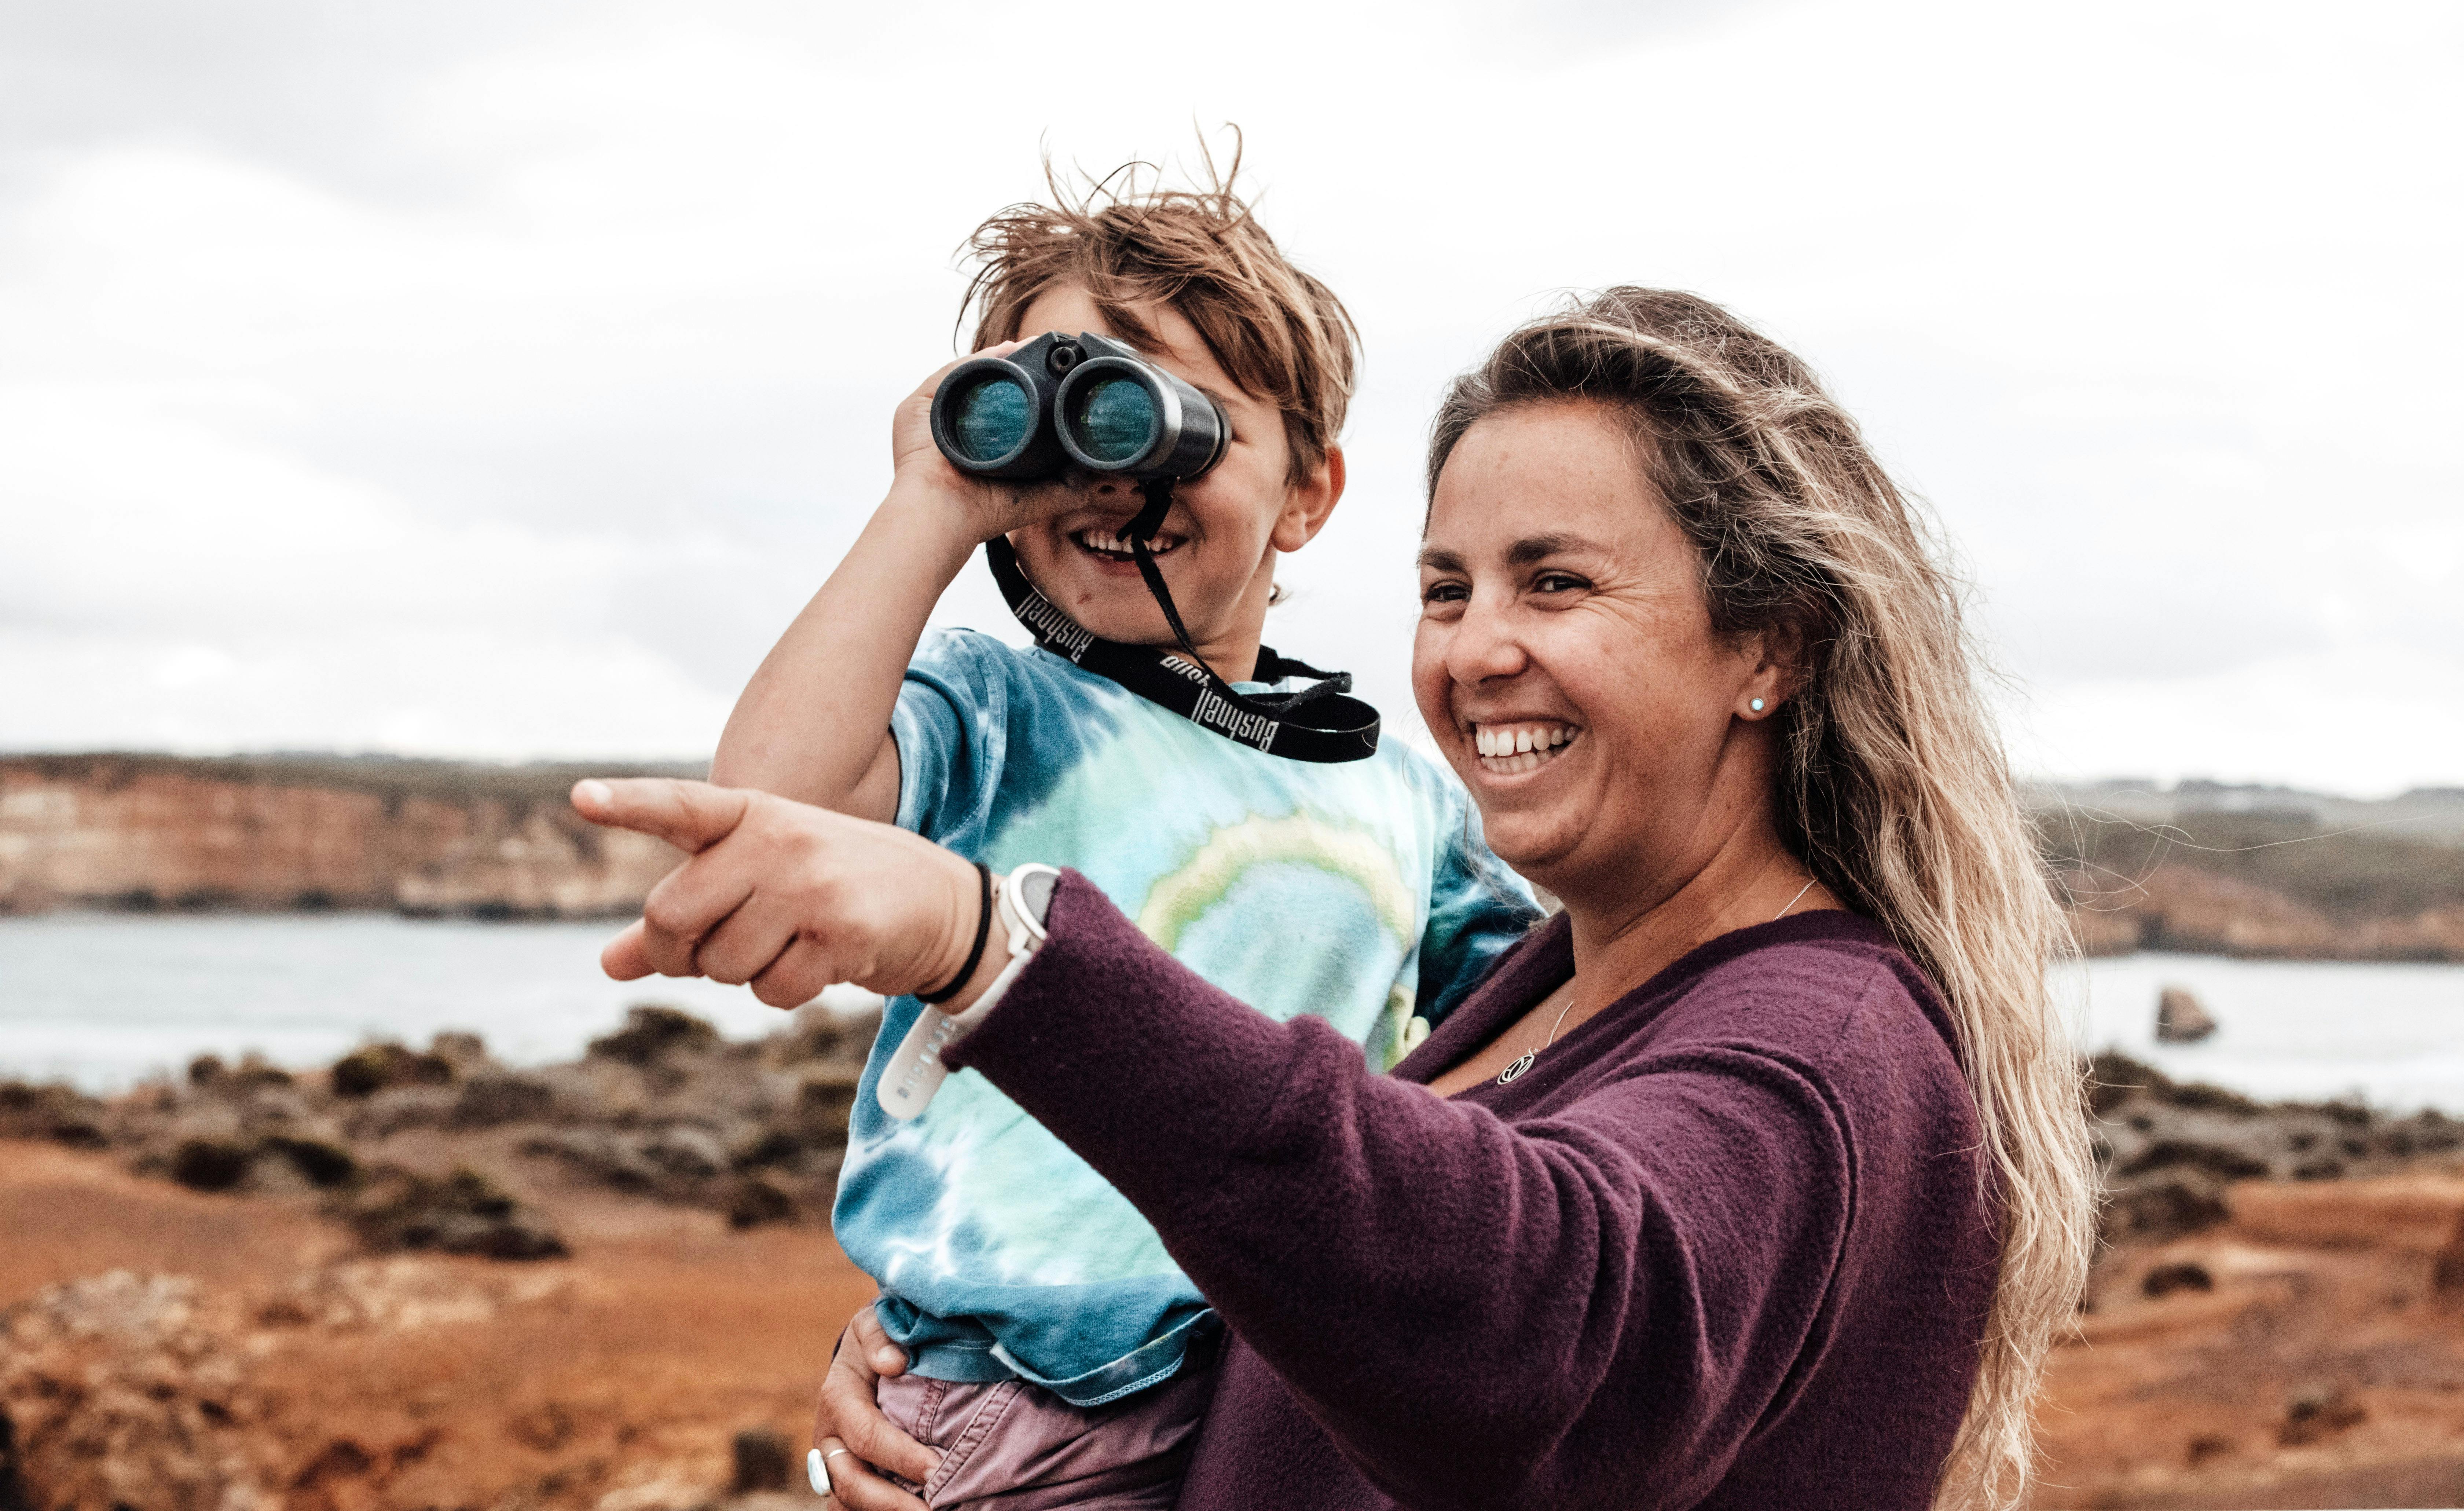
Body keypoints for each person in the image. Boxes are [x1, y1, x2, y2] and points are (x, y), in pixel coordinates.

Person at [577, 288, 2096, 1510]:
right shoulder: (1563, 984)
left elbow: (1545, 1335)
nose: (1475, 651)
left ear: (1770, 645)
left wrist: (1000, 951)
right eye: (1446, 590)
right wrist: (978, 1340)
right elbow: (1342, 1244)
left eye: (1555, 582)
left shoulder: (1819, 1047)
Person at [703, 163, 1541, 1506]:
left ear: (1308, 493)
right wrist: (934, 497)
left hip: (1297, 1385)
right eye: (1063, 419)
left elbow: (1546, 1027)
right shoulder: (999, 710)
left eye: (1172, 421)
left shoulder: (1397, 789)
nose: (1111, 471)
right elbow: (774, 817)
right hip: (1024, 1397)